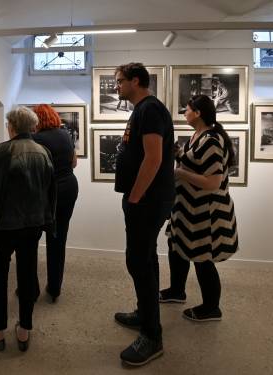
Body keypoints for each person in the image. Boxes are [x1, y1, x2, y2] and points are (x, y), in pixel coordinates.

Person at [0, 106, 56, 352]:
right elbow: (51, 193)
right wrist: (47, 222)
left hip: (4, 227)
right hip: (33, 226)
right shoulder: (44, 152)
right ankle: (24, 329)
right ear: (31, 127)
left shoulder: (3, 151)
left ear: (11, 126)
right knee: (27, 275)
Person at [112, 63, 175, 366]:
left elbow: (154, 157)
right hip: (145, 200)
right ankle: (144, 313)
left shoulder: (150, 110)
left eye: (120, 81)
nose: (117, 87)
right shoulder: (144, 109)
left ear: (136, 80)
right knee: (146, 258)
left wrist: (135, 197)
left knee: (137, 260)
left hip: (147, 201)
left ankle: (152, 336)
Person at [160, 94, 239, 321]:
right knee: (177, 248)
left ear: (198, 113)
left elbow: (212, 182)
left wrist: (179, 172)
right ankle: (177, 291)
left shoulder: (212, 141)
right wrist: (178, 155)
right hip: (187, 208)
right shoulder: (198, 136)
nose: (184, 113)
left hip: (206, 212)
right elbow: (193, 163)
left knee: (203, 258)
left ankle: (211, 307)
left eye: (187, 109)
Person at [32, 104, 79, 303]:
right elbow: (74, 162)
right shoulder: (65, 135)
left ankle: (29, 287)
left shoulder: (35, 140)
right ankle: (54, 289)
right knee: (58, 240)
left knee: (30, 239)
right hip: (68, 188)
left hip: (45, 193)